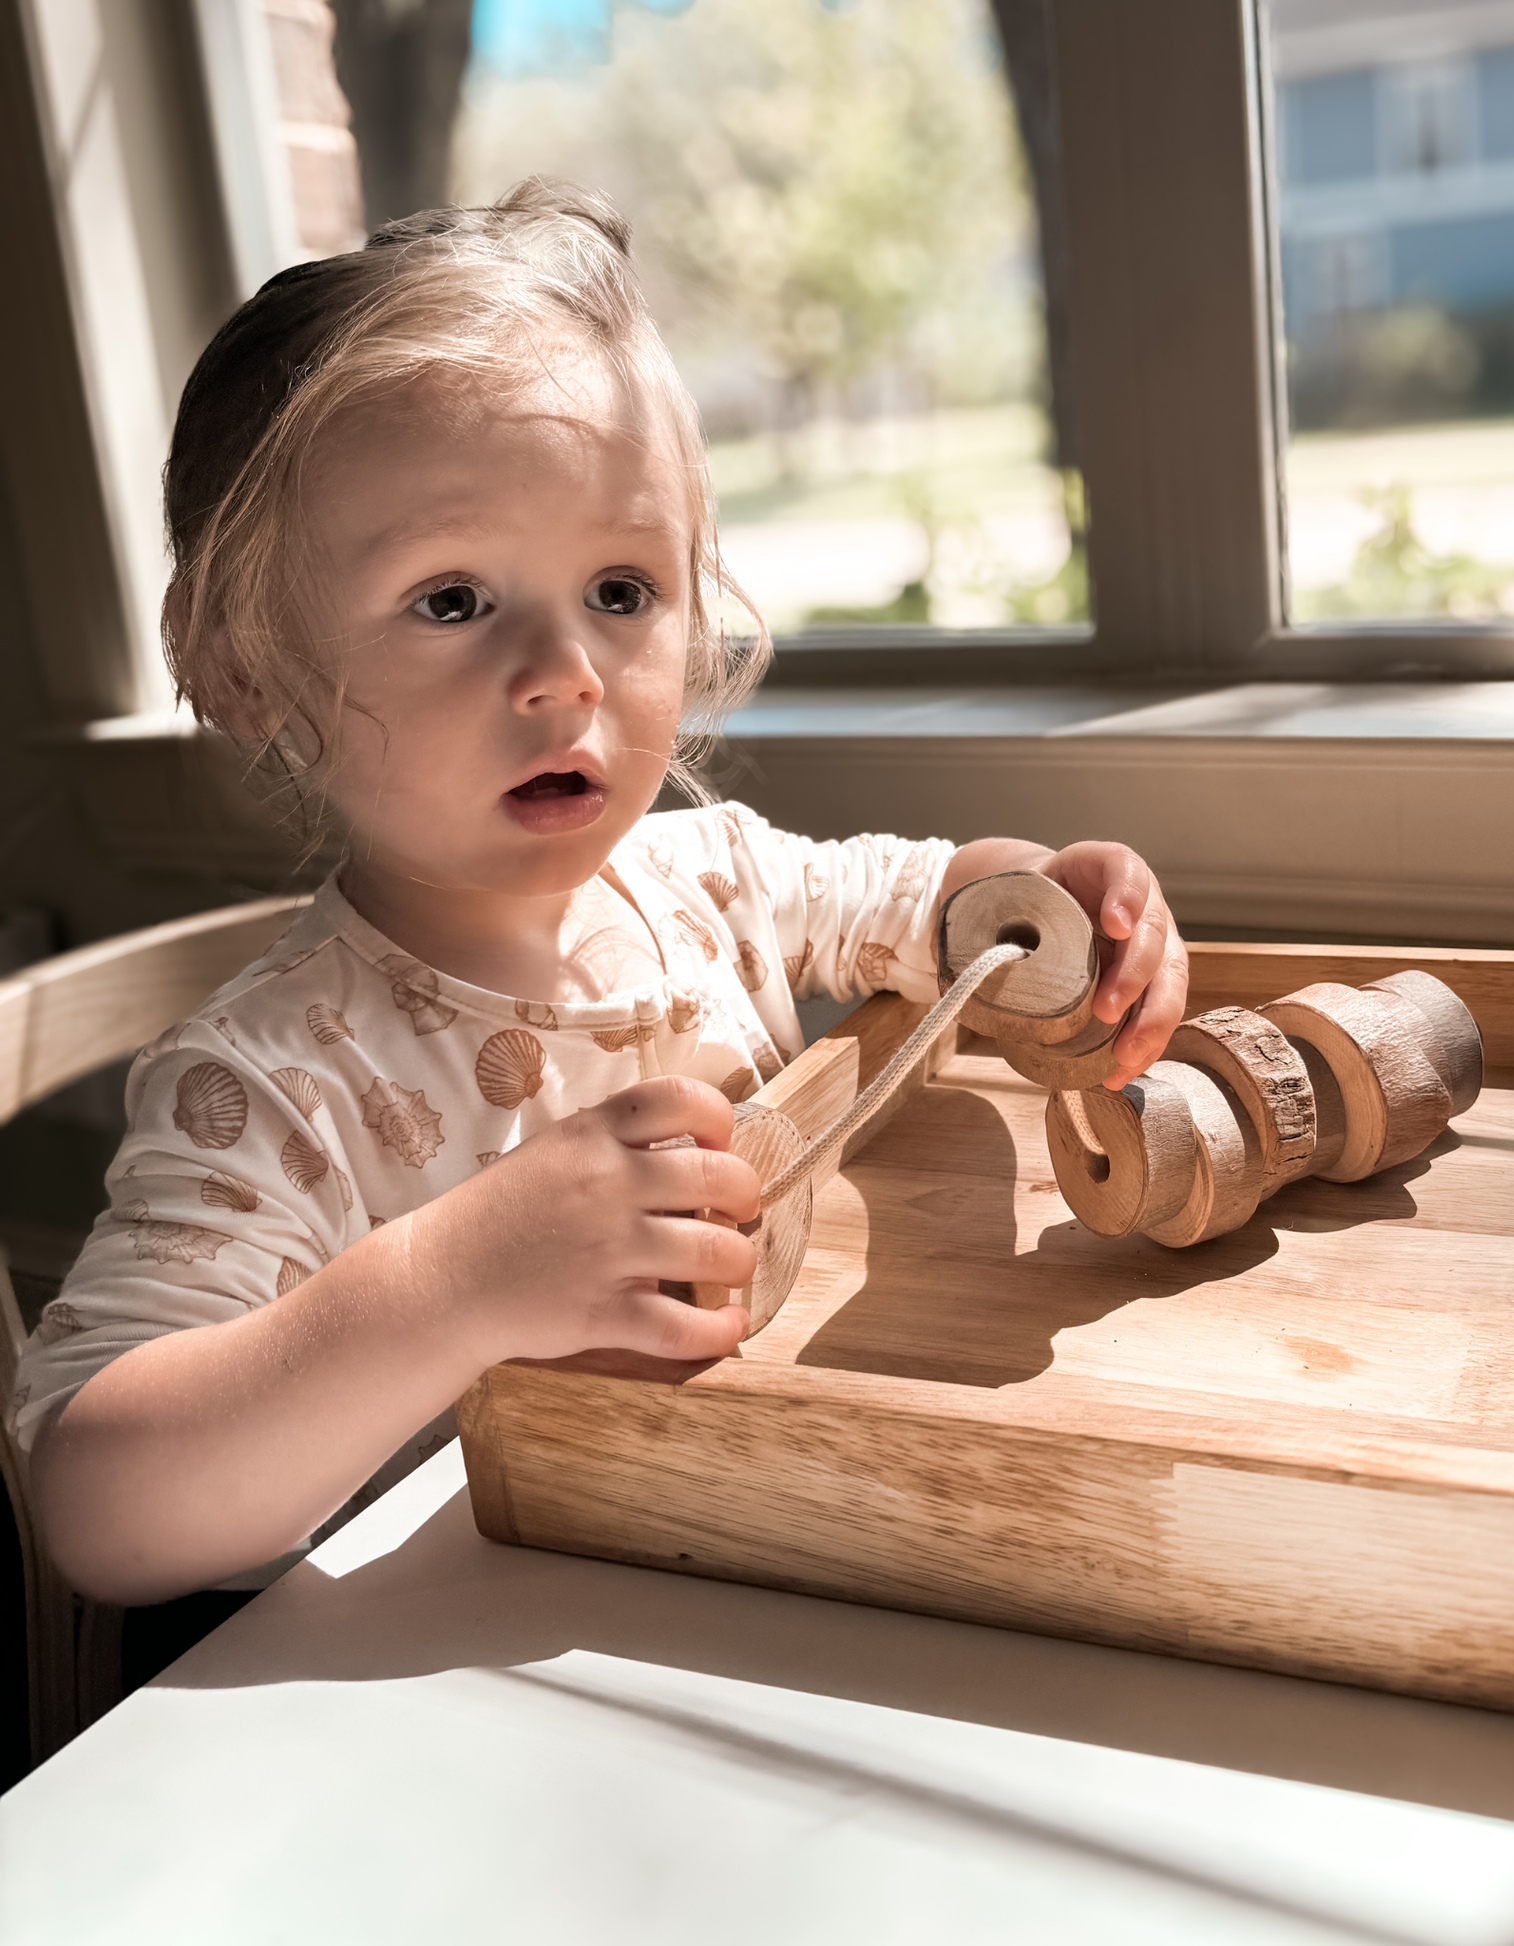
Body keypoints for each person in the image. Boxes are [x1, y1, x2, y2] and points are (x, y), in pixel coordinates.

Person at [10, 181, 1188, 1608]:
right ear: (251, 669)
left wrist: (1056, 915)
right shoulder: (268, 1085)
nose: (565, 668)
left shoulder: (717, 875)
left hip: (782, 1552)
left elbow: (933, 906)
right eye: (451, 598)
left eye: (621, 589)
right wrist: (447, 1286)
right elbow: (96, 1503)